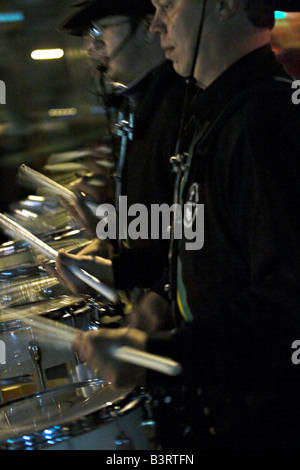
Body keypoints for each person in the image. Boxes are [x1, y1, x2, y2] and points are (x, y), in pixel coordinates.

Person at [58, 0, 300, 450]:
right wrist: (118, 268)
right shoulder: (218, 111)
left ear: (224, 6)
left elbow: (283, 310)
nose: (156, 23)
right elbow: (202, 245)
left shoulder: (262, 120)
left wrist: (155, 354)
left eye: (168, 4)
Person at [53, 1, 195, 319]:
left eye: (100, 29)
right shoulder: (137, 104)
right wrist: (111, 235)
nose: (92, 46)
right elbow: (157, 222)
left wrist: (116, 269)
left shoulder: (179, 109)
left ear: (148, 26)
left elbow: (189, 238)